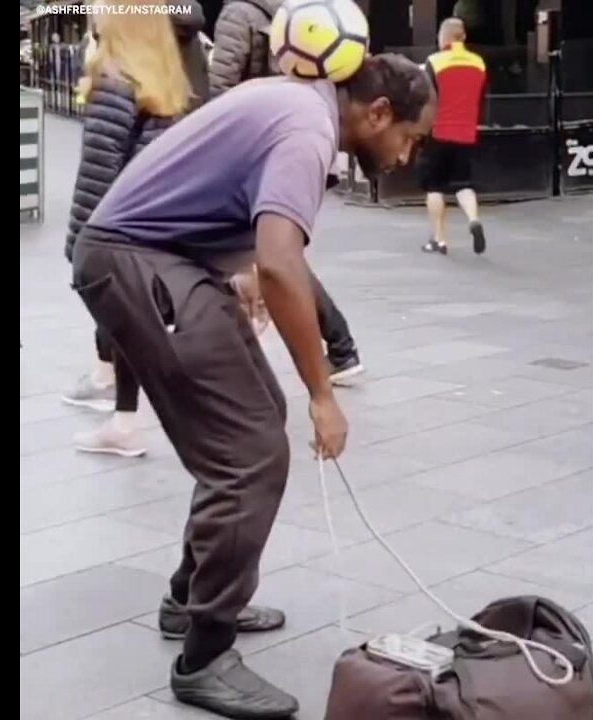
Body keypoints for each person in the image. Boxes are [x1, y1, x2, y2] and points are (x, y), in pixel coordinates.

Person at [71, 55, 435, 718]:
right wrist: (323, 394)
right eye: (411, 137)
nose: (408, 155)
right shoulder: (310, 128)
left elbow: (232, 204)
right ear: (378, 113)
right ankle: (205, 655)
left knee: (258, 421)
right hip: (140, 260)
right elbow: (280, 260)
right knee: (249, 455)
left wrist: (235, 266)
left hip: (160, 256)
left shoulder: (300, 104)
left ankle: (192, 599)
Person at [59, 0, 208, 457]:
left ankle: (131, 422)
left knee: (129, 321)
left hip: (118, 227)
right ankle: (127, 422)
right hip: (157, 224)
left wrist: (76, 243)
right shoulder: (167, 84)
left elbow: (98, 172)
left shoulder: (115, 82)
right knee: (133, 321)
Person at [207, 0, 366, 385]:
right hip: (299, 142)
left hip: (256, 147)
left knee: (271, 256)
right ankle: (340, 348)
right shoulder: (304, 14)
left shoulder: (238, 15)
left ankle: (338, 349)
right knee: (278, 254)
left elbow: (220, 88)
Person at [420, 17, 489, 255]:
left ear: (444, 37)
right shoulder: (479, 63)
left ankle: (439, 240)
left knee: (434, 187)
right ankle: (473, 219)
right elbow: (480, 98)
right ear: (463, 38)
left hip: (439, 133)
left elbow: (425, 98)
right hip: (466, 133)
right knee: (464, 184)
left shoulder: (435, 62)